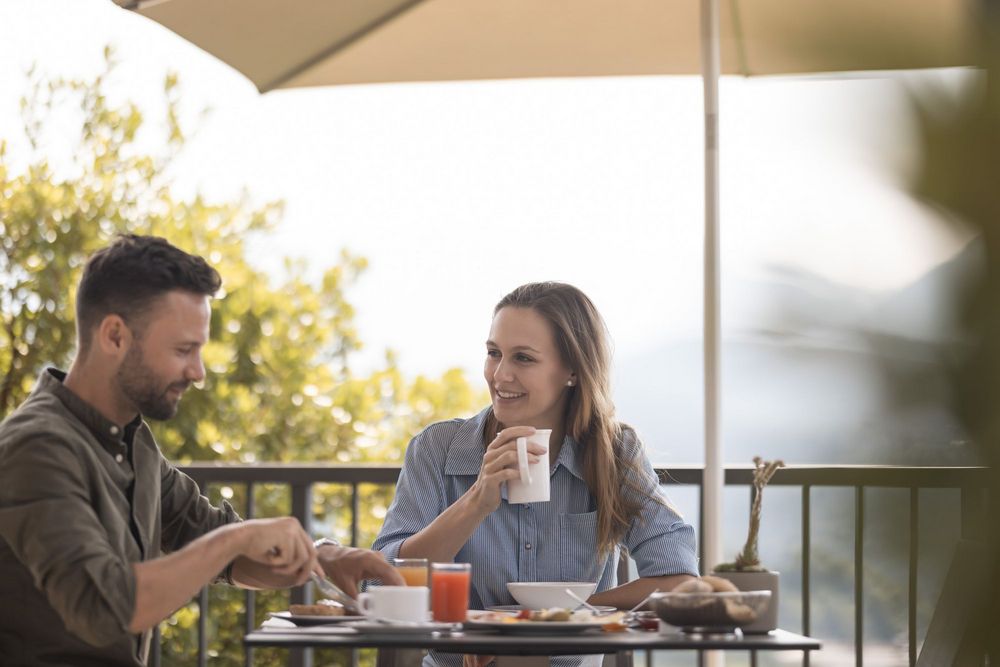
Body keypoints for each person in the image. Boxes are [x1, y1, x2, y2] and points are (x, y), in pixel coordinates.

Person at [0, 234, 402, 667]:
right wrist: (237, 539)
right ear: (115, 336)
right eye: (183, 350)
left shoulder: (133, 442)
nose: (198, 372)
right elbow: (105, 607)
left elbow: (211, 537)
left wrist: (320, 555)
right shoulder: (36, 448)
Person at [372, 282, 698, 666]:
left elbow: (679, 582)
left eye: (523, 358)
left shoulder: (613, 452)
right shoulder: (437, 448)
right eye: (494, 354)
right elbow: (380, 583)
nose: (500, 375)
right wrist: (476, 501)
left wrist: (547, 621)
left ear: (572, 371)